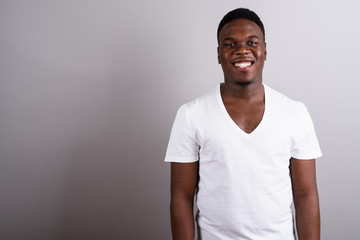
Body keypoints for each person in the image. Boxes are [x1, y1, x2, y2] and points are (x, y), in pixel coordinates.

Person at [165, 8, 322, 240]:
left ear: (265, 50)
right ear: (218, 54)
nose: (241, 50)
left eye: (252, 42)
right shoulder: (191, 114)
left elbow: (306, 196)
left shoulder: (295, 113)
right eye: (230, 44)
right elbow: (181, 198)